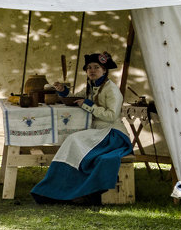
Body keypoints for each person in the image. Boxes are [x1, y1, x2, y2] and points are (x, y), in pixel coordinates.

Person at [31, 52, 133, 204]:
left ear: (104, 70)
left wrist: (88, 105)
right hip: (98, 133)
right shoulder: (91, 86)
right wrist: (62, 90)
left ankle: (74, 192)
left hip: (113, 134)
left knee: (73, 140)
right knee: (72, 142)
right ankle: (57, 190)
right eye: (89, 68)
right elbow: (76, 97)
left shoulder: (111, 89)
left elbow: (112, 115)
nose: (92, 70)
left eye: (96, 67)